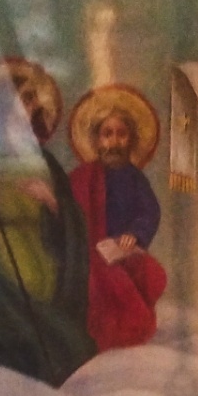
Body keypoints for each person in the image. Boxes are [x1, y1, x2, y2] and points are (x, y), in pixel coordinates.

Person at [0, 58, 96, 387]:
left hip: (52, 291)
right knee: (46, 353)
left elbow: (73, 226)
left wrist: (51, 201)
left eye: (32, 99)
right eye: (23, 98)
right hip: (4, 294)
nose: (32, 107)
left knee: (73, 350)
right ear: (1, 107)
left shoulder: (45, 164)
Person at [68, 86, 167, 353]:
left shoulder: (135, 179)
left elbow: (149, 211)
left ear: (131, 140)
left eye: (121, 134)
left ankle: (129, 336)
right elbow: (68, 212)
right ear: (97, 140)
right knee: (105, 285)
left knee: (154, 275)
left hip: (123, 250)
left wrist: (135, 234)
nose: (114, 142)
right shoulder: (83, 177)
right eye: (107, 134)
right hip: (90, 254)